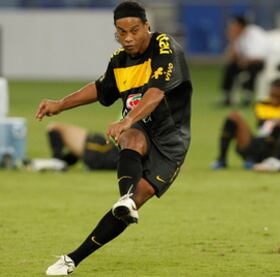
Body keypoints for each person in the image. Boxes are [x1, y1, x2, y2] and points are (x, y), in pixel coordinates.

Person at [36, 1, 192, 275]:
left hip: (171, 139)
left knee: (138, 197)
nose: (128, 38)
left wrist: (127, 118)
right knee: (131, 141)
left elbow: (156, 93)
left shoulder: (164, 46)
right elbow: (100, 89)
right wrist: (60, 104)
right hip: (140, 127)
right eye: (121, 32)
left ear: (147, 27)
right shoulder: (119, 61)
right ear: (116, 33)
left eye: (134, 30)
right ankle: (71, 261)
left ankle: (78, 253)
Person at [211, 78, 280, 172]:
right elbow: (262, 128)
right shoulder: (262, 103)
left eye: (279, 97)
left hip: (277, 149)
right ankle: (222, 160)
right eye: (272, 95)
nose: (274, 100)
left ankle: (272, 161)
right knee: (234, 116)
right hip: (260, 143)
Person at [220, 15, 269, 106]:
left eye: (234, 25)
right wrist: (233, 41)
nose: (231, 28)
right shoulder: (238, 36)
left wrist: (245, 61)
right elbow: (231, 57)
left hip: (260, 63)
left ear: (240, 25)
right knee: (230, 67)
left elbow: (259, 56)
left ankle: (248, 97)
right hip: (244, 62)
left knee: (252, 68)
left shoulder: (255, 33)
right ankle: (227, 97)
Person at [46, 122, 118, 170]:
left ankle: (57, 161)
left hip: (101, 149)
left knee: (54, 127)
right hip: (108, 152)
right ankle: (59, 162)